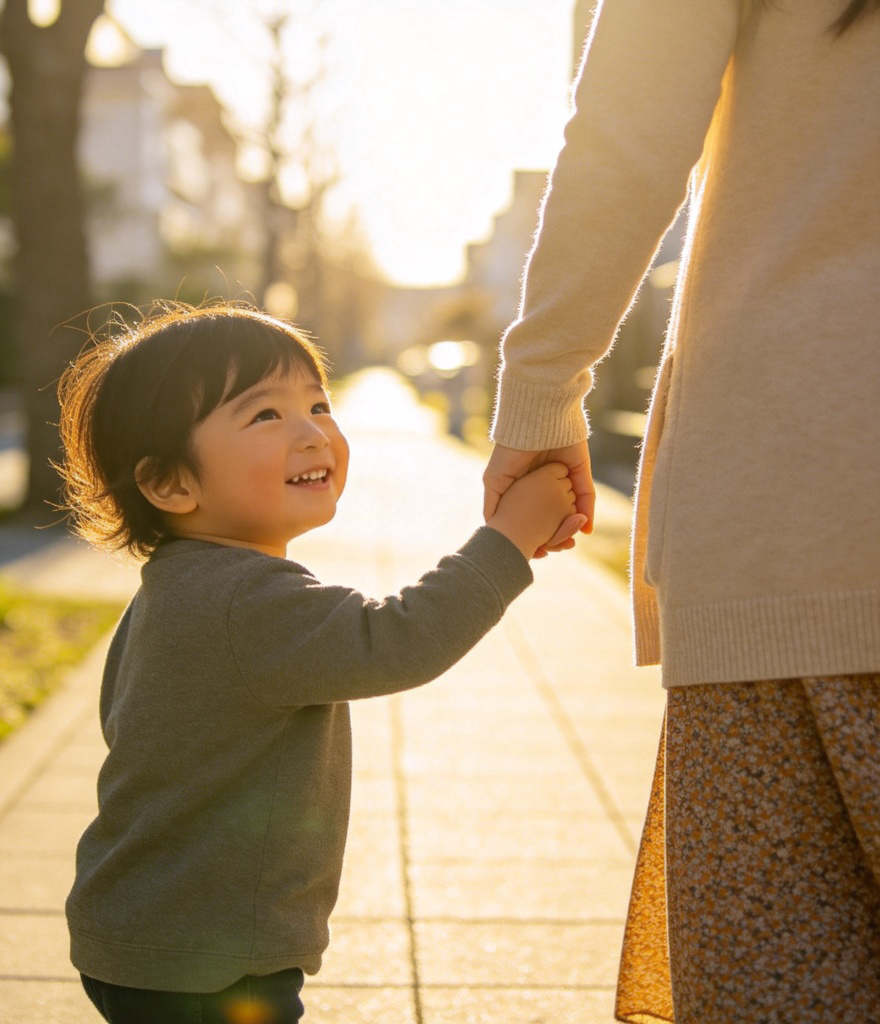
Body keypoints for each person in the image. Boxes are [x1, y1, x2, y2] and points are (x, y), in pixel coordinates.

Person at [482, 0, 880, 1020]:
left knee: (792, 974)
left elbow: (626, 134)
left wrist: (540, 393)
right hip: (800, 501)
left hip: (799, 490)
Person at [58, 302, 585, 1024]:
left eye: (317, 403)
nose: (312, 432)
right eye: (264, 416)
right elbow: (400, 639)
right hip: (210, 962)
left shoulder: (176, 587)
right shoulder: (245, 599)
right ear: (171, 484)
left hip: (140, 935)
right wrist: (508, 538)